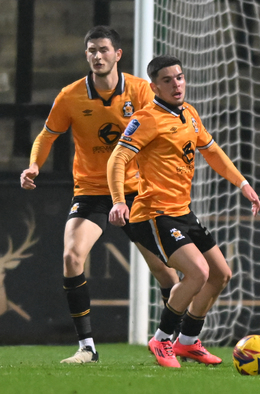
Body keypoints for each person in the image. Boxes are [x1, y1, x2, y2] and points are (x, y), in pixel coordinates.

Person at [19, 26, 178, 364]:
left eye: (104, 49)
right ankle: (87, 348)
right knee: (71, 257)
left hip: (137, 191)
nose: (97, 56)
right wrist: (34, 165)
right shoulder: (71, 95)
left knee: (167, 273)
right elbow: (46, 136)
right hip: (92, 191)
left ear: (117, 54)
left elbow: (164, 133)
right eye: (91, 50)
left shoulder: (141, 91)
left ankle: (174, 342)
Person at [107, 55, 260, 368]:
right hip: (154, 213)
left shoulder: (188, 113)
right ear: (154, 86)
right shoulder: (146, 118)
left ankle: (188, 342)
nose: (176, 84)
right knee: (197, 273)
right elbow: (117, 159)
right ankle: (162, 338)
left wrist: (242, 183)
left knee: (220, 274)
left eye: (179, 77)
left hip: (183, 211)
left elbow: (213, 152)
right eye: (167, 80)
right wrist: (119, 200)